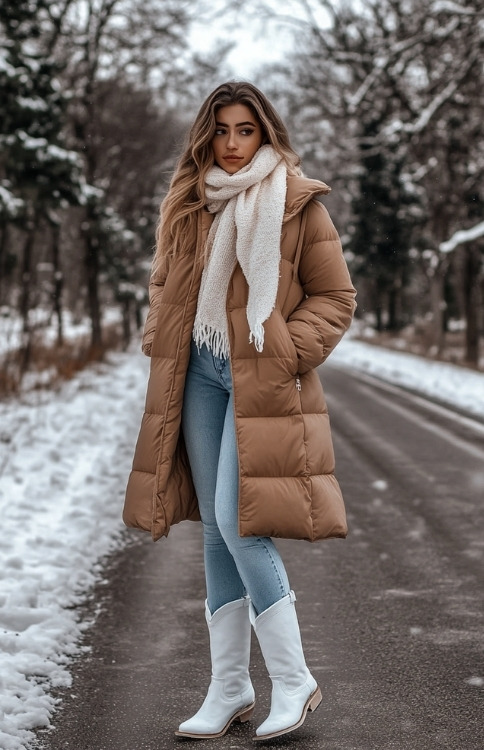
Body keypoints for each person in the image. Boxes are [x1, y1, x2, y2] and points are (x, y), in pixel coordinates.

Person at [123, 81, 356, 741]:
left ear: (266, 133)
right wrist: (156, 330)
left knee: (239, 517)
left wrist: (284, 349)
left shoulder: (297, 203)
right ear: (207, 134)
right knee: (218, 532)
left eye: (244, 130)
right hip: (196, 371)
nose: (230, 144)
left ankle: (293, 679)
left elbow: (336, 297)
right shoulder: (188, 201)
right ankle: (229, 688)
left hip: (261, 376)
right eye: (221, 130)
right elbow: (164, 279)